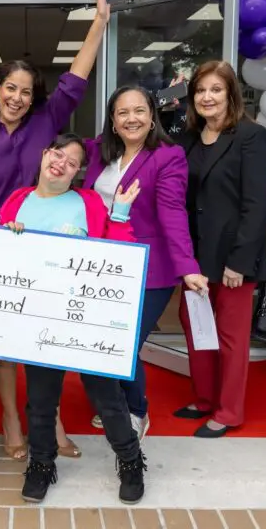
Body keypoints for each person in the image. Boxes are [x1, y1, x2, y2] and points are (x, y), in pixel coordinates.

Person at [0, 0, 110, 460]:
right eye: (10, 88)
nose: (18, 98)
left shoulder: (47, 122)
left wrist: (99, 24)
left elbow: (77, 79)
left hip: (48, 249)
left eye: (26, 91)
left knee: (48, 339)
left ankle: (53, 421)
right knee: (5, 341)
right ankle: (10, 419)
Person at [0, 134, 147, 505]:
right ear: (44, 155)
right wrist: (5, 235)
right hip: (37, 320)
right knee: (41, 399)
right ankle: (42, 464)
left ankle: (130, 461)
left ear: (78, 172)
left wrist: (122, 213)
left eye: (72, 160)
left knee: (107, 396)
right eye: (56, 153)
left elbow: (117, 251)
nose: (61, 162)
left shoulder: (89, 202)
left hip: (83, 319)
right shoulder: (18, 200)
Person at [82, 85, 208, 440]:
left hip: (149, 267)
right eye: (123, 112)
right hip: (102, 263)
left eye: (139, 111)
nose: (131, 118)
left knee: (125, 343)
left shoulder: (167, 157)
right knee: (102, 338)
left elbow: (172, 213)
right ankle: (113, 402)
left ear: (153, 116)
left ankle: (136, 410)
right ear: (112, 119)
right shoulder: (100, 151)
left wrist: (187, 266)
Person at [173, 61, 266, 437]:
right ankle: (204, 398)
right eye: (200, 90)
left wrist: (240, 262)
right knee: (195, 326)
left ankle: (229, 411)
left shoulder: (250, 136)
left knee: (230, 337)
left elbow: (257, 203)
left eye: (216, 89)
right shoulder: (188, 139)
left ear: (230, 93)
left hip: (233, 257)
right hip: (195, 257)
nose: (207, 97)